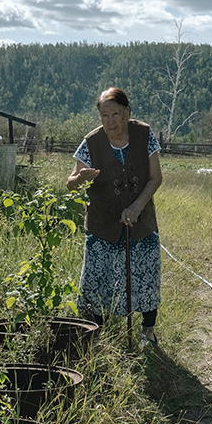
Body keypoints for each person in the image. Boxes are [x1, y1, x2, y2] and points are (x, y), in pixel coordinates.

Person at [66, 87, 163, 348]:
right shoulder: (91, 142)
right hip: (102, 224)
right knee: (99, 278)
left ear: (127, 112)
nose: (110, 121)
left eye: (116, 114)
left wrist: (137, 206)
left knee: (145, 275)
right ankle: (98, 336)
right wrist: (81, 178)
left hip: (141, 222)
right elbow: (70, 183)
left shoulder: (144, 134)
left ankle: (147, 333)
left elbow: (156, 177)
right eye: (104, 115)